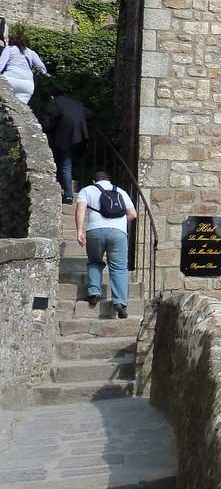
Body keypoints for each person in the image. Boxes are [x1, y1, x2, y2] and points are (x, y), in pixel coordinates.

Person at [75, 171, 137, 319]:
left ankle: (94, 293)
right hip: (118, 233)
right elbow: (133, 214)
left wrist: (79, 231)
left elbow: (80, 210)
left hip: (94, 231)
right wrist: (119, 223)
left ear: (94, 181)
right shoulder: (121, 191)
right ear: (109, 181)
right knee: (119, 267)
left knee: (95, 262)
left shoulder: (87, 190)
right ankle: (120, 302)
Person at [42, 92, 92, 203]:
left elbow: (46, 125)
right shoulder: (76, 104)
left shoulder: (54, 105)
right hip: (79, 137)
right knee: (66, 164)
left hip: (63, 139)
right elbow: (89, 114)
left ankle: (68, 195)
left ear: (52, 97)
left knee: (64, 165)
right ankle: (67, 192)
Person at [0, 30, 48, 104]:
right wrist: (45, 73)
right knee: (18, 110)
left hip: (10, 79)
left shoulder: (10, 49)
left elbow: (1, 64)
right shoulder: (31, 52)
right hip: (27, 84)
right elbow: (41, 66)